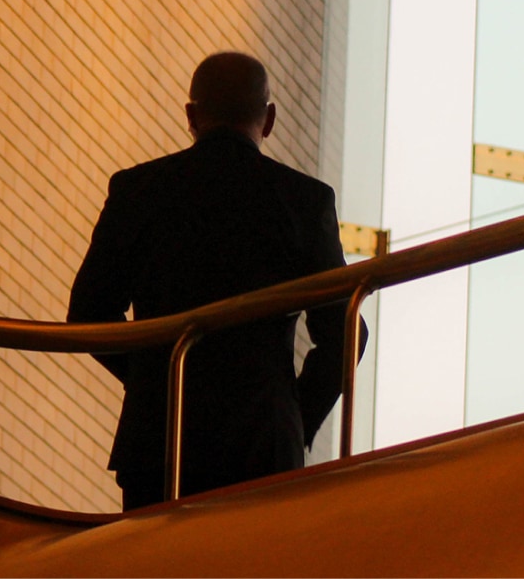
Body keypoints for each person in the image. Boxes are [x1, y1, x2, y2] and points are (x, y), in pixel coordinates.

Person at [68, 51, 364, 510]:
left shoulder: (138, 190)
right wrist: (293, 416)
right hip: (261, 445)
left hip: (162, 441)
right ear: (269, 120)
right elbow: (346, 332)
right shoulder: (304, 201)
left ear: (191, 115)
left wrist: (157, 377)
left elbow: (89, 313)